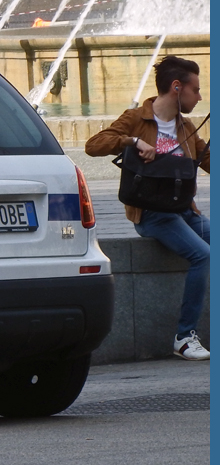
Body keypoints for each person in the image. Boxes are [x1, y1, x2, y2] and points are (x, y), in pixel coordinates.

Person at [85, 55, 210, 360]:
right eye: (196, 89)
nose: (200, 96)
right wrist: (132, 142)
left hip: (184, 211)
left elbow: (208, 161)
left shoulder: (186, 126)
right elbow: (93, 145)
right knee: (203, 255)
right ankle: (184, 336)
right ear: (177, 87)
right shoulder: (137, 118)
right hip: (152, 214)